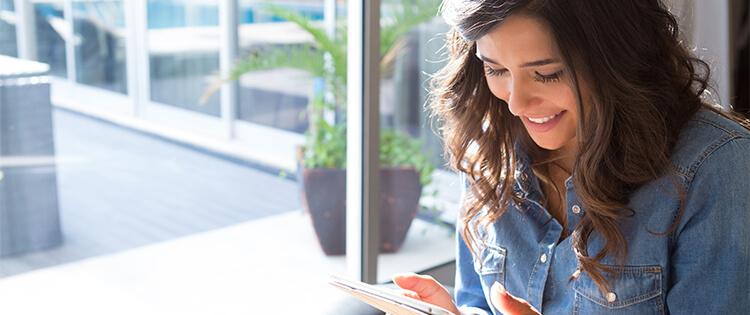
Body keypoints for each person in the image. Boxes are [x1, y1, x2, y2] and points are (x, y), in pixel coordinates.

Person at [391, 0, 750, 314]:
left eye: (546, 74)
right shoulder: (492, 150)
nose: (516, 102)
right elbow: (479, 302)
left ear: (615, 58)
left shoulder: (716, 169)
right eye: (495, 69)